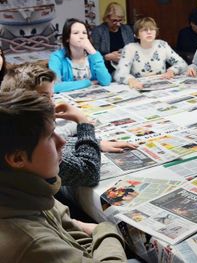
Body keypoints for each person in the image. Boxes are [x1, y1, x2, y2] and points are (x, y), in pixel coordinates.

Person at [0, 90, 128, 261]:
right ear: (17, 158)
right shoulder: (33, 243)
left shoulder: (27, 192)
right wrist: (106, 229)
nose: (62, 141)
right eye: (49, 137)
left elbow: (69, 228)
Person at [1, 62, 137, 187]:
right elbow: (89, 172)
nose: (52, 103)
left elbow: (56, 141)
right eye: (43, 97)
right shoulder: (28, 140)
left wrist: (95, 143)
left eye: (51, 96)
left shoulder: (17, 129)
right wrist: (83, 122)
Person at [115, 17, 188, 90]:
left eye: (152, 29)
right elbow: (120, 74)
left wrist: (172, 71)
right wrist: (131, 80)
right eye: (144, 30)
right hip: (140, 87)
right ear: (137, 35)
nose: (149, 32)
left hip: (161, 86)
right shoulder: (130, 48)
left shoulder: (162, 45)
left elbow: (182, 64)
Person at [49, 18, 111, 93]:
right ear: (67, 38)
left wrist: (92, 51)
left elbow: (106, 81)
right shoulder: (56, 57)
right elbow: (54, 87)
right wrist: (87, 83)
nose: (81, 36)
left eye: (84, 33)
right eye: (76, 33)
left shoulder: (93, 55)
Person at [91, 2, 135, 74]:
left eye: (120, 20)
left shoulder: (127, 29)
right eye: (114, 20)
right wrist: (107, 57)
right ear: (107, 18)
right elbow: (92, 57)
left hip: (127, 68)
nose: (118, 24)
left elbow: (133, 49)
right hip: (106, 69)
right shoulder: (98, 31)